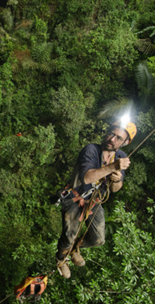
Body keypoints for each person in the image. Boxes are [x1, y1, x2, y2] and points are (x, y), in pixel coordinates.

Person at [54, 119, 136, 279]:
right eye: (111, 134)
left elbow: (115, 189)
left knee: (98, 239)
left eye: (118, 138)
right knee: (69, 234)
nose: (112, 139)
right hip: (74, 197)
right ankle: (61, 258)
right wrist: (112, 167)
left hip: (94, 200)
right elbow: (87, 178)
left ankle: (75, 248)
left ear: (125, 142)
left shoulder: (120, 156)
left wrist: (117, 179)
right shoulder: (91, 150)